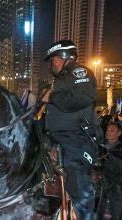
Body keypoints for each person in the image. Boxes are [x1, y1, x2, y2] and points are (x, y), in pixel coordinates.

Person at [42, 40, 101, 220]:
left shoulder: (79, 72)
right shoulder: (61, 81)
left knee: (80, 193)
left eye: (53, 61)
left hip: (78, 142)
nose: (52, 65)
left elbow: (80, 100)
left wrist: (52, 96)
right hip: (60, 143)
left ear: (62, 58)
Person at [98, 122, 122, 219]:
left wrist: (109, 157)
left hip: (116, 190)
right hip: (100, 189)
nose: (108, 132)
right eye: (107, 130)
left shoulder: (120, 149)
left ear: (119, 133)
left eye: (112, 130)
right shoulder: (99, 147)